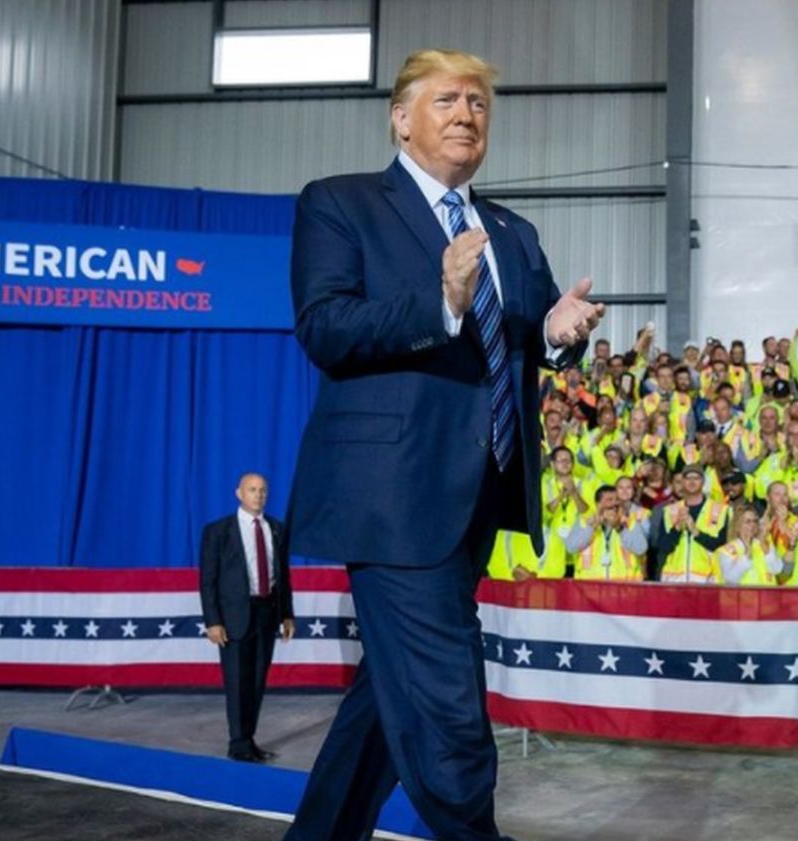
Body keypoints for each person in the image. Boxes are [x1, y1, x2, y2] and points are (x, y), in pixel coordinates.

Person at [285, 48, 603, 841]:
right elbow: (325, 328)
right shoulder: (340, 203)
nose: (467, 114)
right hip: (391, 499)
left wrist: (557, 335)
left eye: (479, 104)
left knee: (388, 698)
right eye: (447, 100)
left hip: (479, 499)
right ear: (400, 119)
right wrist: (440, 302)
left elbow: (529, 335)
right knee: (448, 706)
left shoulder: (512, 232)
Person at [199, 472, 294, 763]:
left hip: (267, 613)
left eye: (263, 490)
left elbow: (283, 576)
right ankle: (238, 744)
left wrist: (287, 614)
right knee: (238, 682)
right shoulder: (218, 531)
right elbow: (208, 580)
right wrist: (213, 621)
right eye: (252, 489)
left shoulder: (276, 529)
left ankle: (249, 739)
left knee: (256, 681)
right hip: (234, 617)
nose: (258, 495)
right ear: (239, 493)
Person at [564, 485, 648, 581]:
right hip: (590, 585)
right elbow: (571, 547)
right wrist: (592, 528)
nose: (614, 503)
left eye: (617, 499)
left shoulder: (629, 522)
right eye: (609, 500)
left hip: (625, 584)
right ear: (598, 504)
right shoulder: (585, 521)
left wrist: (620, 528)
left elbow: (641, 549)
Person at [714, 503, 784, 586]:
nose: (752, 525)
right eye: (748, 521)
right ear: (737, 525)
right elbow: (730, 579)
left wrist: (763, 542)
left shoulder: (764, 544)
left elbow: (777, 569)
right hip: (743, 594)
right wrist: (747, 554)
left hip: (768, 594)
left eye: (755, 521)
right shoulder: (726, 551)